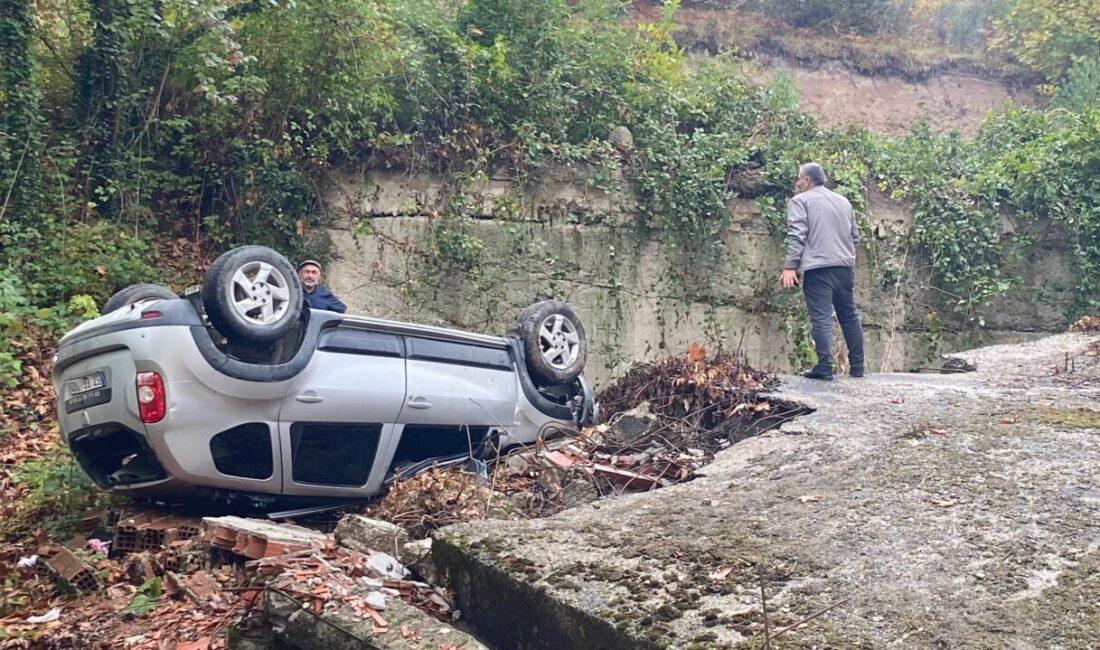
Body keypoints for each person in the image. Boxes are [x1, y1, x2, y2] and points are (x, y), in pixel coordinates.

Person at [779, 162, 865, 380]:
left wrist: (791, 267)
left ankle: (824, 367)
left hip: (819, 270)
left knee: (821, 318)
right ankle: (857, 367)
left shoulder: (800, 201)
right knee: (849, 315)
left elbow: (797, 235)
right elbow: (855, 236)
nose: (797, 183)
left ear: (807, 181)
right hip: (845, 268)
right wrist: (842, 255)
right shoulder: (844, 201)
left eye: (799, 179)